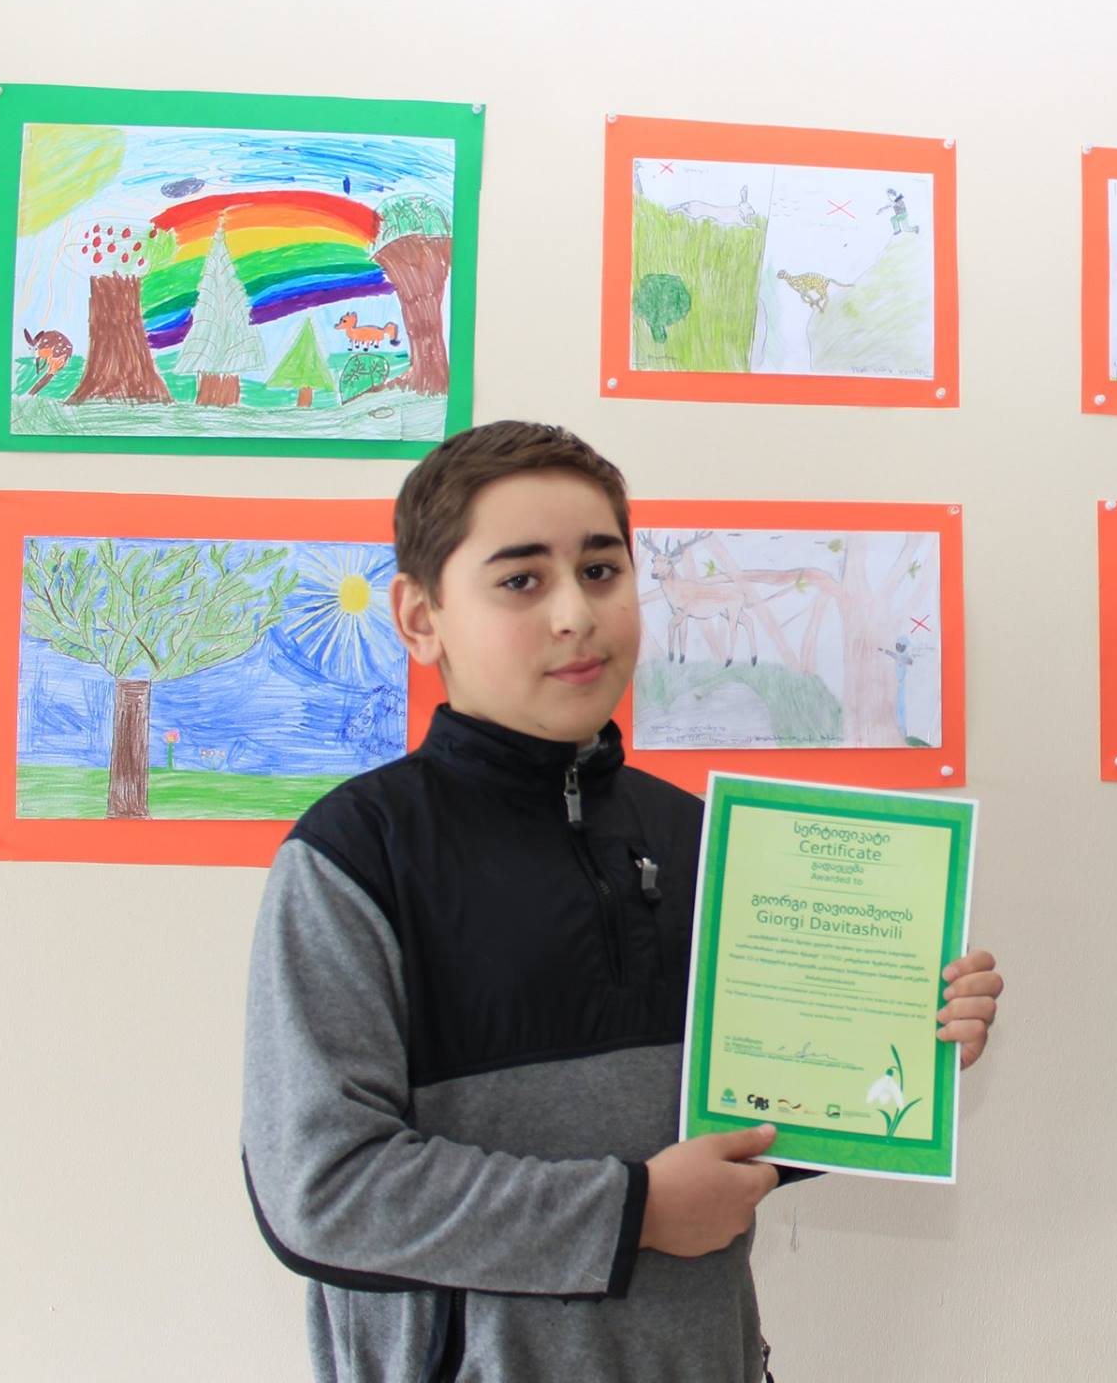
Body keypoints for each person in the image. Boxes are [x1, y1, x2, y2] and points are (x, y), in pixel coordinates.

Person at [241, 422, 1005, 1381]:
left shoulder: (706, 839)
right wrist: (631, 1211)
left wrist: (902, 1051)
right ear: (420, 615)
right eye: (522, 580)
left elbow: (745, 1132)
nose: (575, 614)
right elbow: (323, 1189)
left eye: (601, 571)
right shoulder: (355, 858)